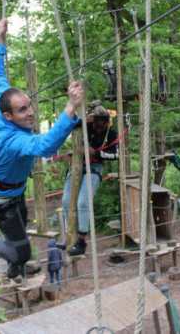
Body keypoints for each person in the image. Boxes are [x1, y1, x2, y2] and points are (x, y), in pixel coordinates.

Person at [0, 18, 85, 280]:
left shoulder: (2, 102)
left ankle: (14, 269)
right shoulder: (11, 141)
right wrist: (70, 107)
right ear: (8, 115)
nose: (31, 113)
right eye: (23, 110)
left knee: (19, 236)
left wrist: (0, 38)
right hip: (0, 199)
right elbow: (45, 144)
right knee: (22, 252)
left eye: (29, 105)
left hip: (11, 190)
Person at [61, 101, 118, 256]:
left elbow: (115, 155)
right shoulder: (86, 126)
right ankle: (69, 235)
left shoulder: (111, 133)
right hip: (76, 165)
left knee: (83, 202)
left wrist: (97, 153)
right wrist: (83, 119)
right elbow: (69, 123)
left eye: (102, 123)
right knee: (66, 201)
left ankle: (81, 240)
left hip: (94, 168)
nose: (98, 126)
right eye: (96, 122)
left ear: (106, 122)